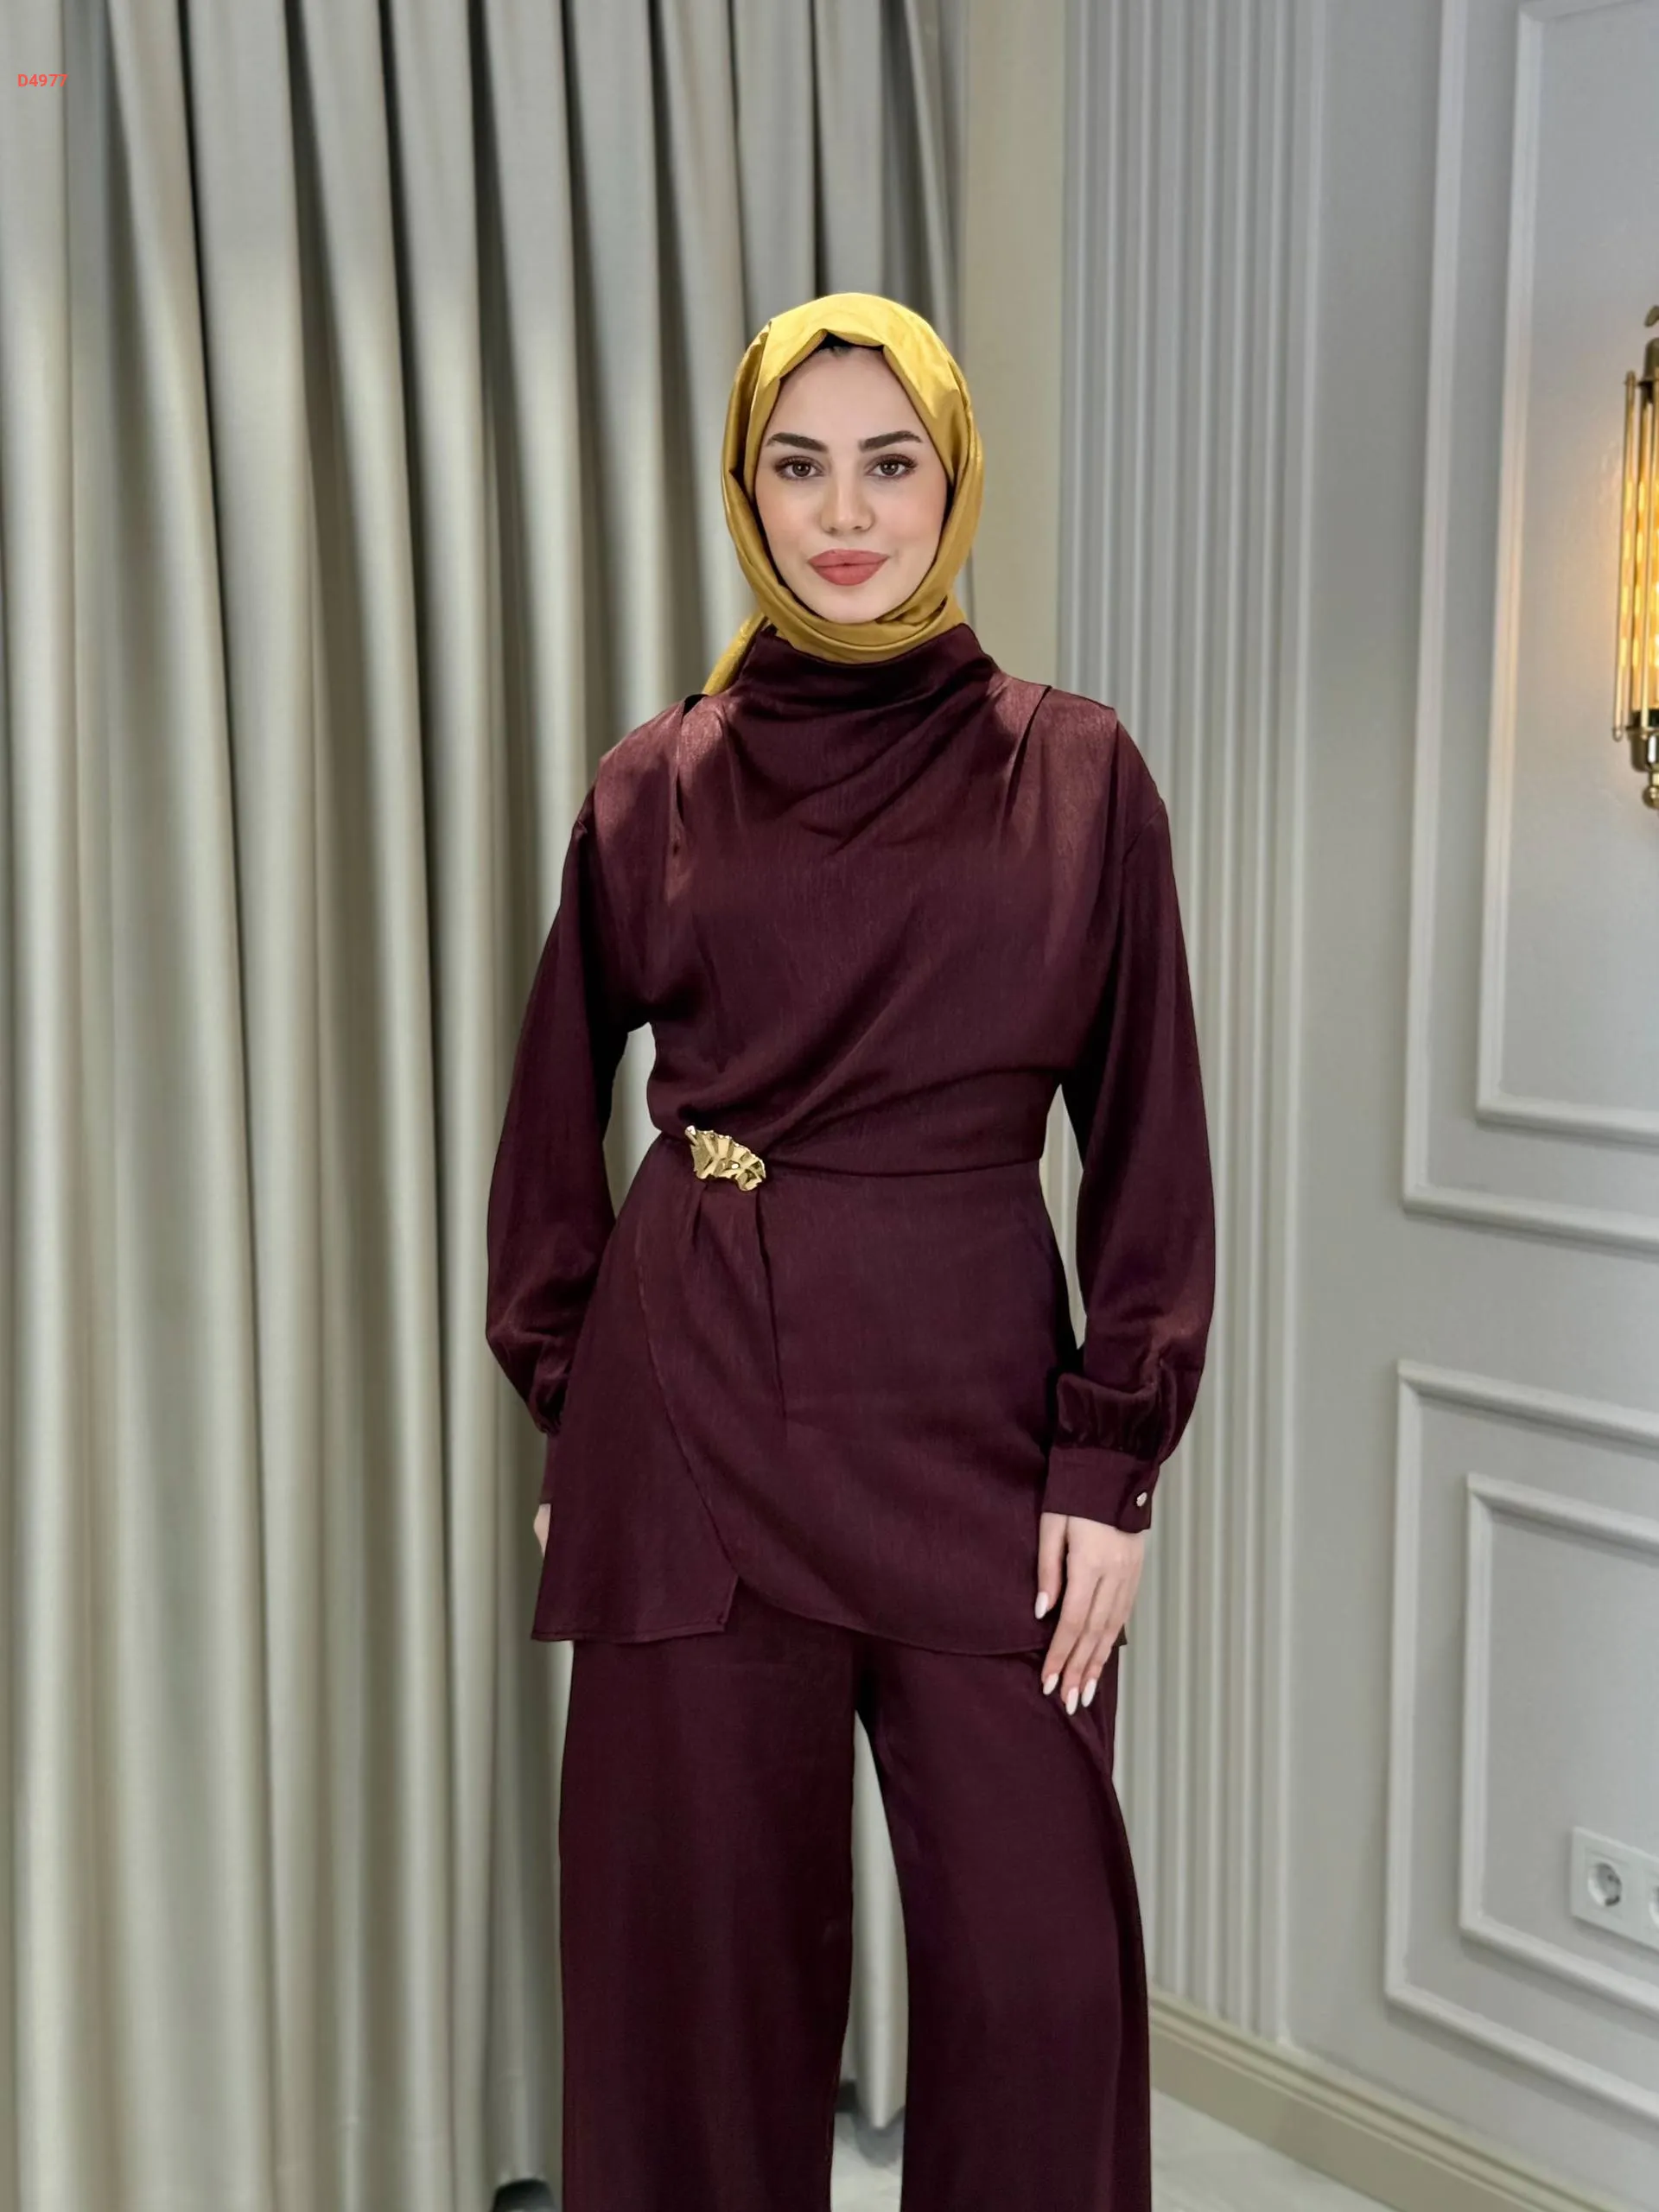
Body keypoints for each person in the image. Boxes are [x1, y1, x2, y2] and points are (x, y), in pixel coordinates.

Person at [485, 290, 1216, 2212]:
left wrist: (1111, 1463)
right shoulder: (659, 782)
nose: (846, 513)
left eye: (891, 463)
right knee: (692, 2005)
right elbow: (550, 1120)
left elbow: (1149, 1142)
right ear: (746, 492)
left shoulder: (1078, 775)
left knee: (1043, 1987)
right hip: (695, 1414)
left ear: (954, 480)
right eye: (798, 466)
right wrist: (573, 1398)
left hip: (984, 1426)